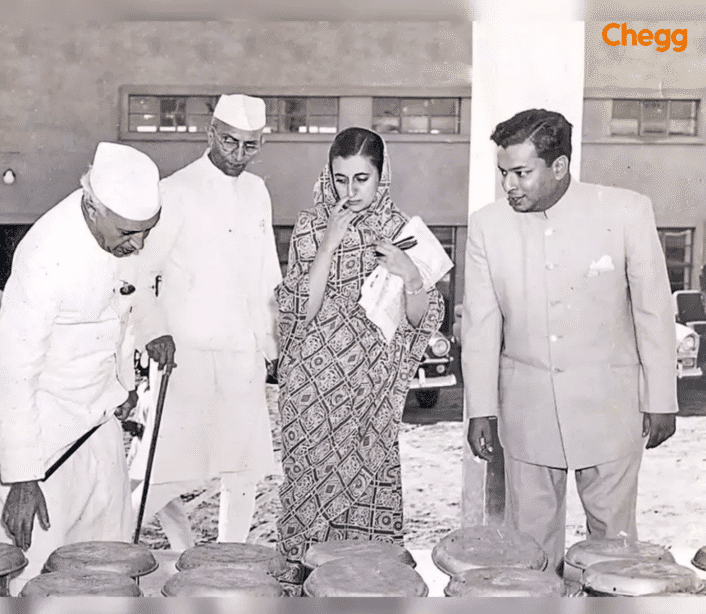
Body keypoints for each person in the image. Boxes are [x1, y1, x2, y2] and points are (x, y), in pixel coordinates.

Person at [462, 109, 677, 575]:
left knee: (615, 550)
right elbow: (481, 323)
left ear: (558, 166)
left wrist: (661, 397)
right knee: (529, 550)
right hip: (526, 411)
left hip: (610, 410)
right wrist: (481, 407)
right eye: (503, 173)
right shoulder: (486, 226)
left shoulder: (625, 211)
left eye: (521, 173)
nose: (509, 186)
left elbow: (653, 310)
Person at [0, 142, 175, 593]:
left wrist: (125, 380)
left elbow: (130, 295)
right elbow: (13, 372)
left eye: (148, 231)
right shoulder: (44, 253)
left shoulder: (125, 235)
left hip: (96, 421)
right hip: (37, 430)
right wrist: (23, 478)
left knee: (107, 564)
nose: (138, 244)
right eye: (127, 233)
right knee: (36, 575)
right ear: (91, 206)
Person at [274, 127, 444, 563]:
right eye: (340, 179)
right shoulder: (312, 225)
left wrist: (410, 273)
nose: (349, 191)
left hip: (371, 393)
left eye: (361, 179)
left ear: (382, 176)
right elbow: (299, 311)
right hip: (312, 392)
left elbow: (419, 319)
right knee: (307, 498)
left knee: (368, 503)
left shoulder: (402, 231)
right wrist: (329, 243)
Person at [131, 94, 283, 551]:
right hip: (187, 355)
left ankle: (228, 559)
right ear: (211, 133)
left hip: (242, 355)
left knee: (244, 469)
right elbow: (141, 271)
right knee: (165, 471)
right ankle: (155, 547)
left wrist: (270, 346)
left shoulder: (258, 191)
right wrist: (153, 331)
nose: (238, 155)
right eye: (231, 142)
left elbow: (265, 276)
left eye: (250, 146)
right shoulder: (175, 190)